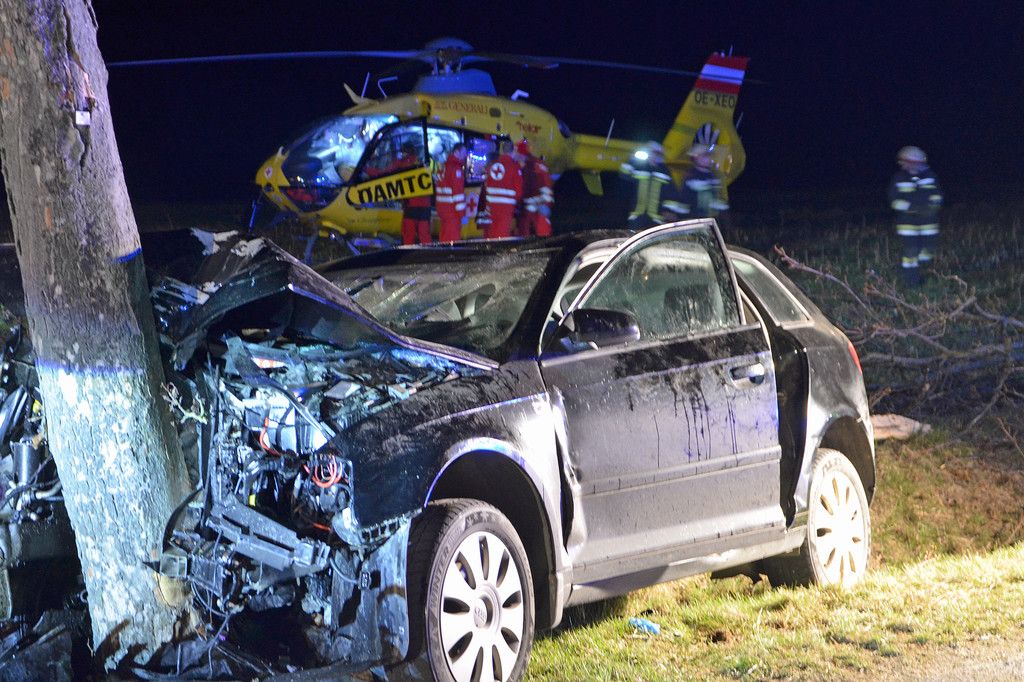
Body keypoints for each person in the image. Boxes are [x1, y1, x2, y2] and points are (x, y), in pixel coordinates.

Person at [888, 146, 942, 287]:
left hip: (928, 222)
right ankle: (911, 281)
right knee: (911, 251)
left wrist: (931, 207)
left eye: (915, 162)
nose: (911, 165)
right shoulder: (899, 178)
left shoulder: (930, 176)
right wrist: (910, 208)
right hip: (907, 223)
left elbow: (937, 195)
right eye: (908, 162)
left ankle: (925, 270)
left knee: (928, 250)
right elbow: (894, 200)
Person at [661, 144, 729, 220]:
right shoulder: (690, 176)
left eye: (709, 156)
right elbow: (684, 201)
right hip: (694, 220)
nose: (708, 158)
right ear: (696, 158)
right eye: (705, 156)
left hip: (712, 220)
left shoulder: (714, 176)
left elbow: (718, 199)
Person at [389, 142, 433, 245]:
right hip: (425, 207)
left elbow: (386, 172)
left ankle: (407, 254)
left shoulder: (401, 163)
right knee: (425, 237)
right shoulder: (421, 162)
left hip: (410, 206)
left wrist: (366, 170)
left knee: (408, 236)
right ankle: (429, 254)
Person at [620, 141, 671, 228]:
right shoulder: (638, 167)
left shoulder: (664, 172)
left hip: (657, 218)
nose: (654, 155)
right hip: (637, 215)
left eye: (657, 153)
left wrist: (667, 211)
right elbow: (624, 175)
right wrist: (632, 160)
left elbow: (670, 192)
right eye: (652, 152)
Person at [481, 139, 522, 238]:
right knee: (502, 235)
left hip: (491, 206)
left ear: (502, 150)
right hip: (506, 208)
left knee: (491, 232)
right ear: (513, 151)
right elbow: (518, 191)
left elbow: (486, 185)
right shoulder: (515, 167)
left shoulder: (491, 165)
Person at [516, 139, 555, 237]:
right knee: (543, 229)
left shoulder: (528, 165)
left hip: (535, 201)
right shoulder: (538, 163)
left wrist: (520, 201)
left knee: (525, 227)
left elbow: (527, 186)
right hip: (544, 201)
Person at [435, 143, 468, 242]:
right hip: (452, 211)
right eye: (463, 153)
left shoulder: (443, 167)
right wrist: (462, 215)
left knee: (444, 236)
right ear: (456, 152)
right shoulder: (456, 169)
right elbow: (458, 194)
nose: (465, 155)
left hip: (442, 209)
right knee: (452, 239)